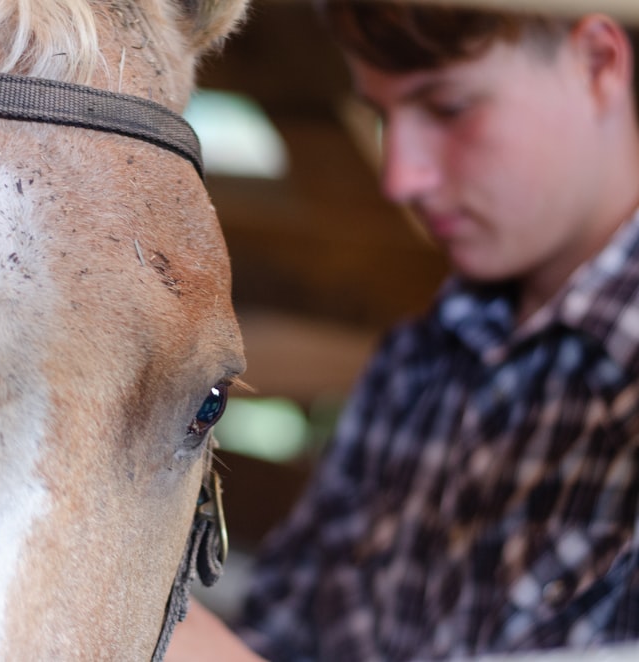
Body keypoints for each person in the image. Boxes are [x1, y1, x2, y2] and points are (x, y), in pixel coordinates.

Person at [166, 1, 639, 660]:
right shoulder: (418, 362)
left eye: (448, 108)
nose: (400, 177)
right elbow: (282, 629)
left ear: (598, 65)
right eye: (384, 118)